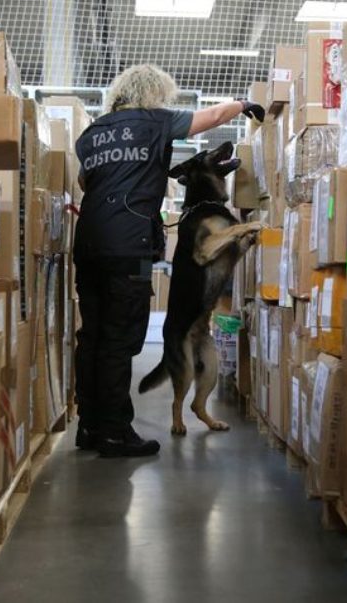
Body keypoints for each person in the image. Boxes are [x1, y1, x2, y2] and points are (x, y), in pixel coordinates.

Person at [73, 64, 265, 457]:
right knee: (120, 339)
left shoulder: (91, 133)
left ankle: (89, 426)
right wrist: (243, 104)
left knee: (91, 337)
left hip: (88, 243)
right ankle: (115, 433)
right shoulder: (154, 121)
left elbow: (83, 181)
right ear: (154, 94)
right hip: (130, 245)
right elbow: (211, 116)